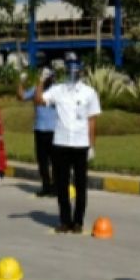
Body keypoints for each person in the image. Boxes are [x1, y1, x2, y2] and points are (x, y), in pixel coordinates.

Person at [34, 52, 100, 234]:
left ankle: (78, 221)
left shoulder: (89, 93)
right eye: (69, 69)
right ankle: (64, 220)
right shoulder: (58, 90)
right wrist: (41, 81)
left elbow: (92, 121)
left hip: (80, 144)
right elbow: (39, 100)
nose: (72, 73)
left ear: (80, 71)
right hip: (61, 143)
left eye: (75, 69)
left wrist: (92, 146)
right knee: (62, 185)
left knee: (80, 185)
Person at [18, 67, 57, 197]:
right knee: (42, 161)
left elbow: (39, 100)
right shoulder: (37, 88)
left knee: (55, 161)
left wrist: (41, 82)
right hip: (39, 129)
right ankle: (46, 186)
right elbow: (22, 97)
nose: (45, 79)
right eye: (43, 76)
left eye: (47, 76)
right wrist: (21, 82)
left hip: (54, 130)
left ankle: (56, 187)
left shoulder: (56, 90)